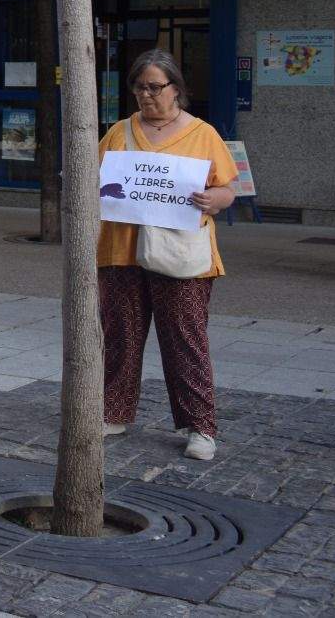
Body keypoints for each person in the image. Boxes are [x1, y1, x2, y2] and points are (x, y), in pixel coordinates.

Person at [98, 49, 236, 462]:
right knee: (120, 336)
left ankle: (200, 427)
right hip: (122, 252)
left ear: (176, 89)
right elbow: (95, 179)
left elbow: (228, 189)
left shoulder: (203, 134)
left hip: (182, 256)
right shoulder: (119, 132)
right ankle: (113, 411)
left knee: (185, 341)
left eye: (155, 87)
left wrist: (215, 198)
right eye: (139, 87)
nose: (146, 95)